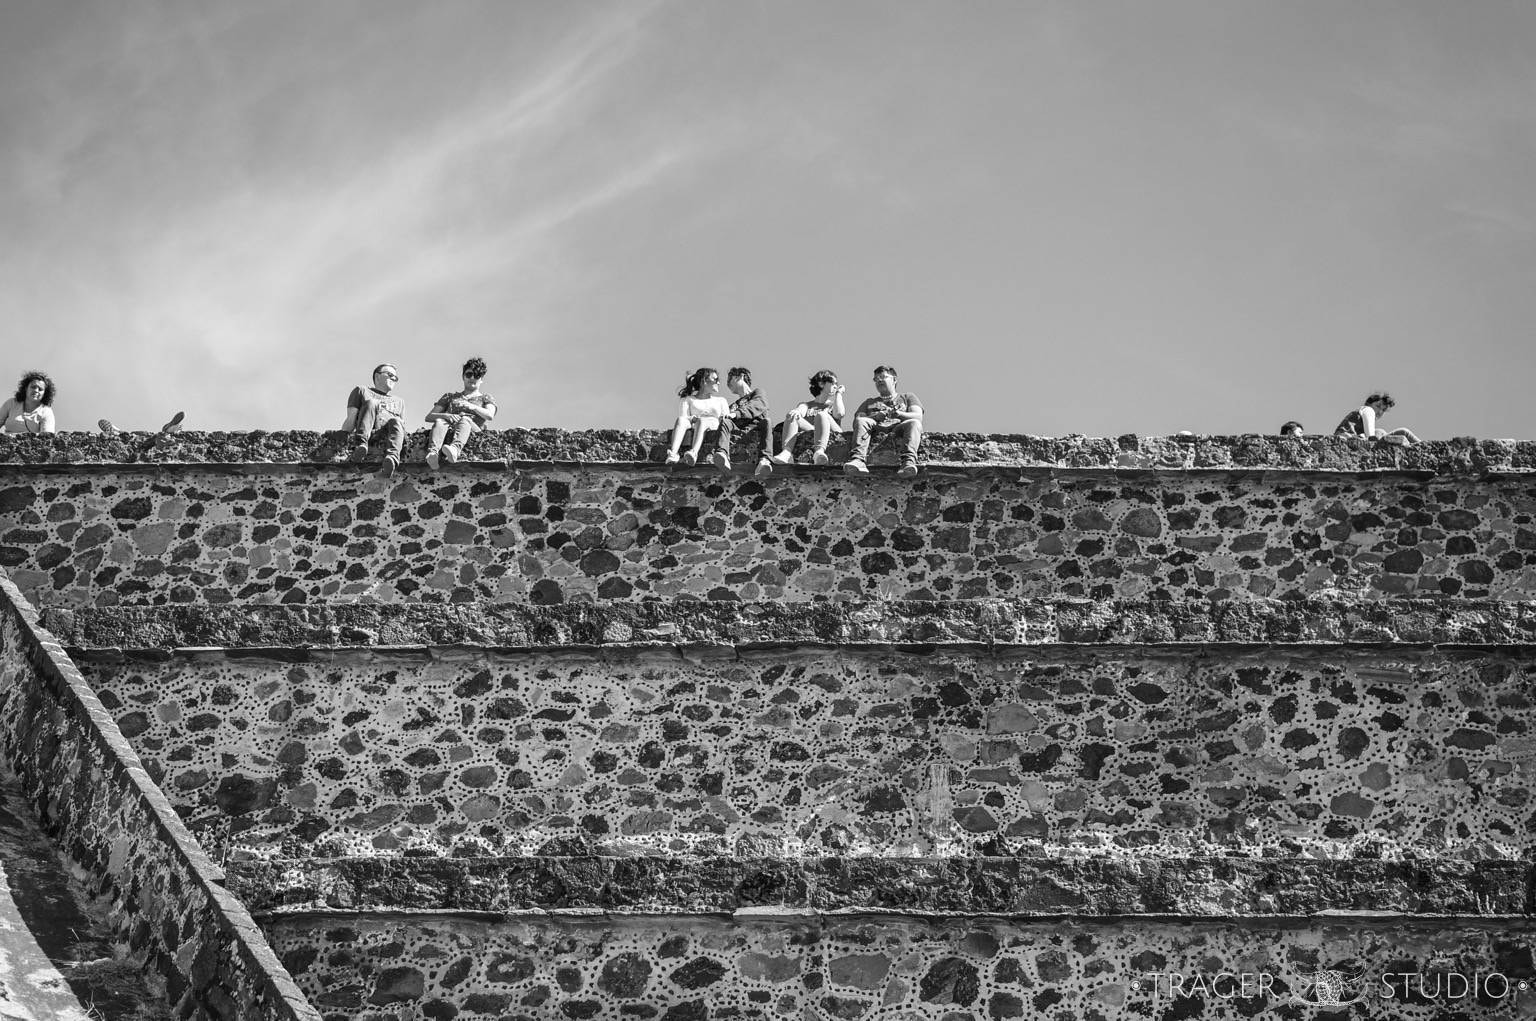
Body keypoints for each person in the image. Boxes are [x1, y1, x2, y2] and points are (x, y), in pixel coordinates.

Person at [844, 365, 923, 476]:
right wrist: (875, 417)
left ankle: (908, 462)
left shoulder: (908, 397)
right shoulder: (869, 402)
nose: (879, 380)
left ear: (894, 380)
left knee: (914, 423)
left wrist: (899, 414)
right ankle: (858, 460)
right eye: (876, 379)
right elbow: (858, 421)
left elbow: (918, 416)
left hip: (899, 428)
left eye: (883, 377)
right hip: (876, 427)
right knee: (862, 421)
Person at [425, 357, 496, 470]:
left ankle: (455, 450)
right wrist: (446, 415)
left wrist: (472, 407)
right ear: (463, 376)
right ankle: (433, 454)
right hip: (450, 425)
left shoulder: (485, 398)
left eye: (477, 375)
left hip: (472, 428)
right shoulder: (449, 397)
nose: (472, 378)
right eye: (469, 374)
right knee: (440, 421)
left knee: (465, 419)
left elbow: (489, 415)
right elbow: (429, 417)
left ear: (481, 379)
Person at [770, 370, 845, 467]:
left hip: (832, 433)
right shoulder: (806, 405)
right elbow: (799, 411)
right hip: (814, 431)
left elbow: (839, 414)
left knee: (822, 415)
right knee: (792, 415)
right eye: (833, 383)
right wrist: (796, 412)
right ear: (821, 384)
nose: (836, 386)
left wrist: (839, 394)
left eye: (837, 384)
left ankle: (819, 452)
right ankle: (787, 453)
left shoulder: (832, 405)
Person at [343, 364, 406, 477]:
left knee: (397, 420)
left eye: (395, 378)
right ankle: (361, 446)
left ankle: (391, 458)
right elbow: (351, 419)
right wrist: (342, 438)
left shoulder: (399, 401)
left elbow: (400, 428)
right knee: (372, 402)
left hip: (387, 435)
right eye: (390, 375)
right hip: (369, 431)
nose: (393, 379)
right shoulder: (362, 390)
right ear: (377, 376)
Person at [666, 367, 730, 466]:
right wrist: (692, 418)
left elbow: (725, 418)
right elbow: (684, 416)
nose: (718, 383)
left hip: (712, 424)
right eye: (715, 379)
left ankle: (694, 452)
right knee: (681, 420)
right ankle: (673, 453)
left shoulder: (721, 401)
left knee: (703, 421)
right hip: (694, 424)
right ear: (704, 381)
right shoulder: (688, 399)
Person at [713, 367, 771, 474]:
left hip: (757, 426)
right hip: (738, 430)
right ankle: (722, 453)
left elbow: (757, 405)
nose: (727, 383)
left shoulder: (757, 393)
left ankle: (764, 459)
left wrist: (736, 414)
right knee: (725, 422)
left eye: (730, 378)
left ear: (741, 376)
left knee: (767, 421)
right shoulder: (733, 406)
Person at [1334, 392, 1419, 445]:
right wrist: (1372, 438)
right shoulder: (1368, 409)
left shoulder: (1360, 415)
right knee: (1404, 432)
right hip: (1348, 437)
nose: (1380, 411)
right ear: (1368, 404)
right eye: (1378, 406)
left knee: (1380, 431)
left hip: (1349, 437)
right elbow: (1371, 437)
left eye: (1383, 410)